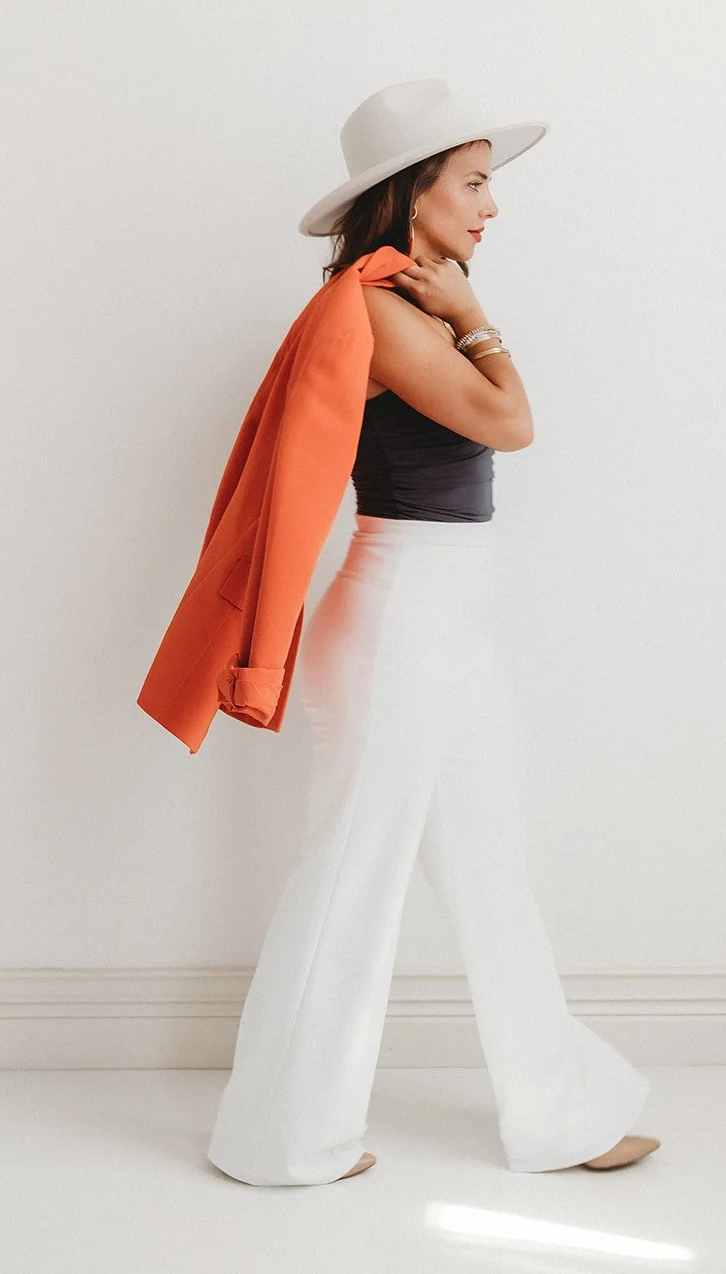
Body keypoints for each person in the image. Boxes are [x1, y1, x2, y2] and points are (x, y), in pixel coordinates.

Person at [205, 79, 659, 1185]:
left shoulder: (389, 306)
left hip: (439, 616)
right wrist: (474, 318)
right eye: (471, 181)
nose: (490, 204)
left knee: (489, 861)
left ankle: (558, 1111)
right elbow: (510, 421)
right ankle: (278, 1136)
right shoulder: (380, 315)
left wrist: (457, 311)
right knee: (353, 867)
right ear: (409, 194)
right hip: (402, 611)